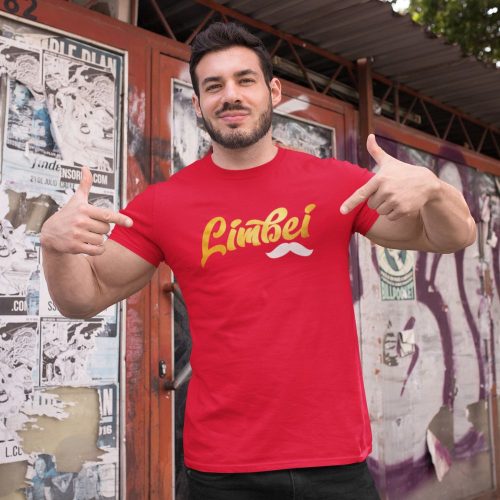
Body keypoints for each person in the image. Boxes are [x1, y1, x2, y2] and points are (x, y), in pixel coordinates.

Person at [40, 22, 476, 500]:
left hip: (334, 461)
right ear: (198, 102)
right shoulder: (164, 205)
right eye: (214, 85)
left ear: (272, 90)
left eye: (244, 80)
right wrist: (54, 246)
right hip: (222, 470)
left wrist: (434, 190)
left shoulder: (335, 184)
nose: (230, 95)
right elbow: (83, 298)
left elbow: (452, 236)